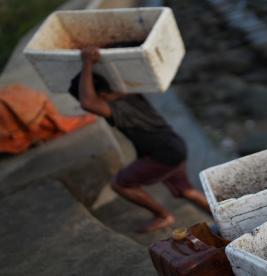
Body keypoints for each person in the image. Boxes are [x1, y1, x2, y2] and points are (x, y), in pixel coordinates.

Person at [69, 46, 210, 232]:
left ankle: (163, 215)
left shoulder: (117, 108)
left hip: (162, 154)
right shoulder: (131, 92)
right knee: (186, 190)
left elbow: (87, 102)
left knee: (120, 184)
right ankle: (224, 217)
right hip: (175, 145)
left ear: (102, 96)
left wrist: (87, 62)